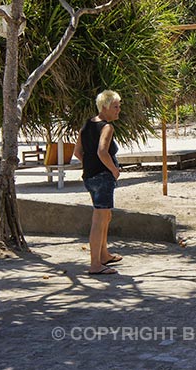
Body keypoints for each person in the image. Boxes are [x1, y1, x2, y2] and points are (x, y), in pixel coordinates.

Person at [74, 90, 123, 275]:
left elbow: (78, 152)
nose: (118, 110)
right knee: (99, 219)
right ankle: (95, 264)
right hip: (102, 177)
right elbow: (102, 151)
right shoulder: (107, 127)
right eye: (115, 107)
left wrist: (90, 166)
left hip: (89, 177)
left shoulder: (86, 125)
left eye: (119, 106)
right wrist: (113, 170)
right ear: (104, 108)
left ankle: (104, 254)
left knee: (105, 216)